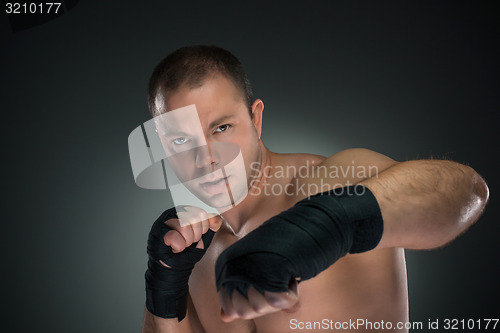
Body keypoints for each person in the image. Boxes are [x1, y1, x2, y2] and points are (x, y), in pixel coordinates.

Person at [137, 45, 489, 333]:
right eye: (182, 140)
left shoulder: (329, 182)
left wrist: (331, 224)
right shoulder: (190, 249)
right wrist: (163, 288)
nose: (206, 159)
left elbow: (466, 190)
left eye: (222, 128)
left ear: (256, 119)